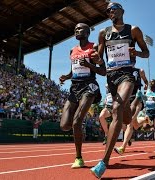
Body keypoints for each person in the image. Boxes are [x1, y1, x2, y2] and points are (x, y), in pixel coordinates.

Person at [90, 2, 149, 178]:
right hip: (111, 77)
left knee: (116, 109)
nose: (110, 12)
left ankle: (103, 162)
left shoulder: (133, 30)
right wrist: (95, 59)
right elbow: (100, 59)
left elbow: (146, 53)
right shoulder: (103, 33)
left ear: (122, 11)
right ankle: (133, 113)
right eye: (108, 10)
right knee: (126, 117)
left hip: (127, 75)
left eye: (113, 9)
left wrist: (135, 52)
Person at [59, 23, 106, 169]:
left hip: (89, 86)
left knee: (76, 121)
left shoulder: (95, 47)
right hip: (74, 87)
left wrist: (89, 65)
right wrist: (66, 77)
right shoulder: (72, 50)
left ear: (87, 32)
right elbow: (73, 69)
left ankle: (79, 158)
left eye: (80, 29)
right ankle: (80, 128)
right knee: (65, 125)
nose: (77, 31)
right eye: (75, 30)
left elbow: (103, 71)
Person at [114, 68, 148, 155]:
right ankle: (144, 120)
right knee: (135, 125)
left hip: (137, 99)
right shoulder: (122, 71)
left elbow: (146, 81)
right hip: (127, 99)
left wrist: (145, 86)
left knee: (130, 123)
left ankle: (123, 147)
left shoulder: (140, 71)